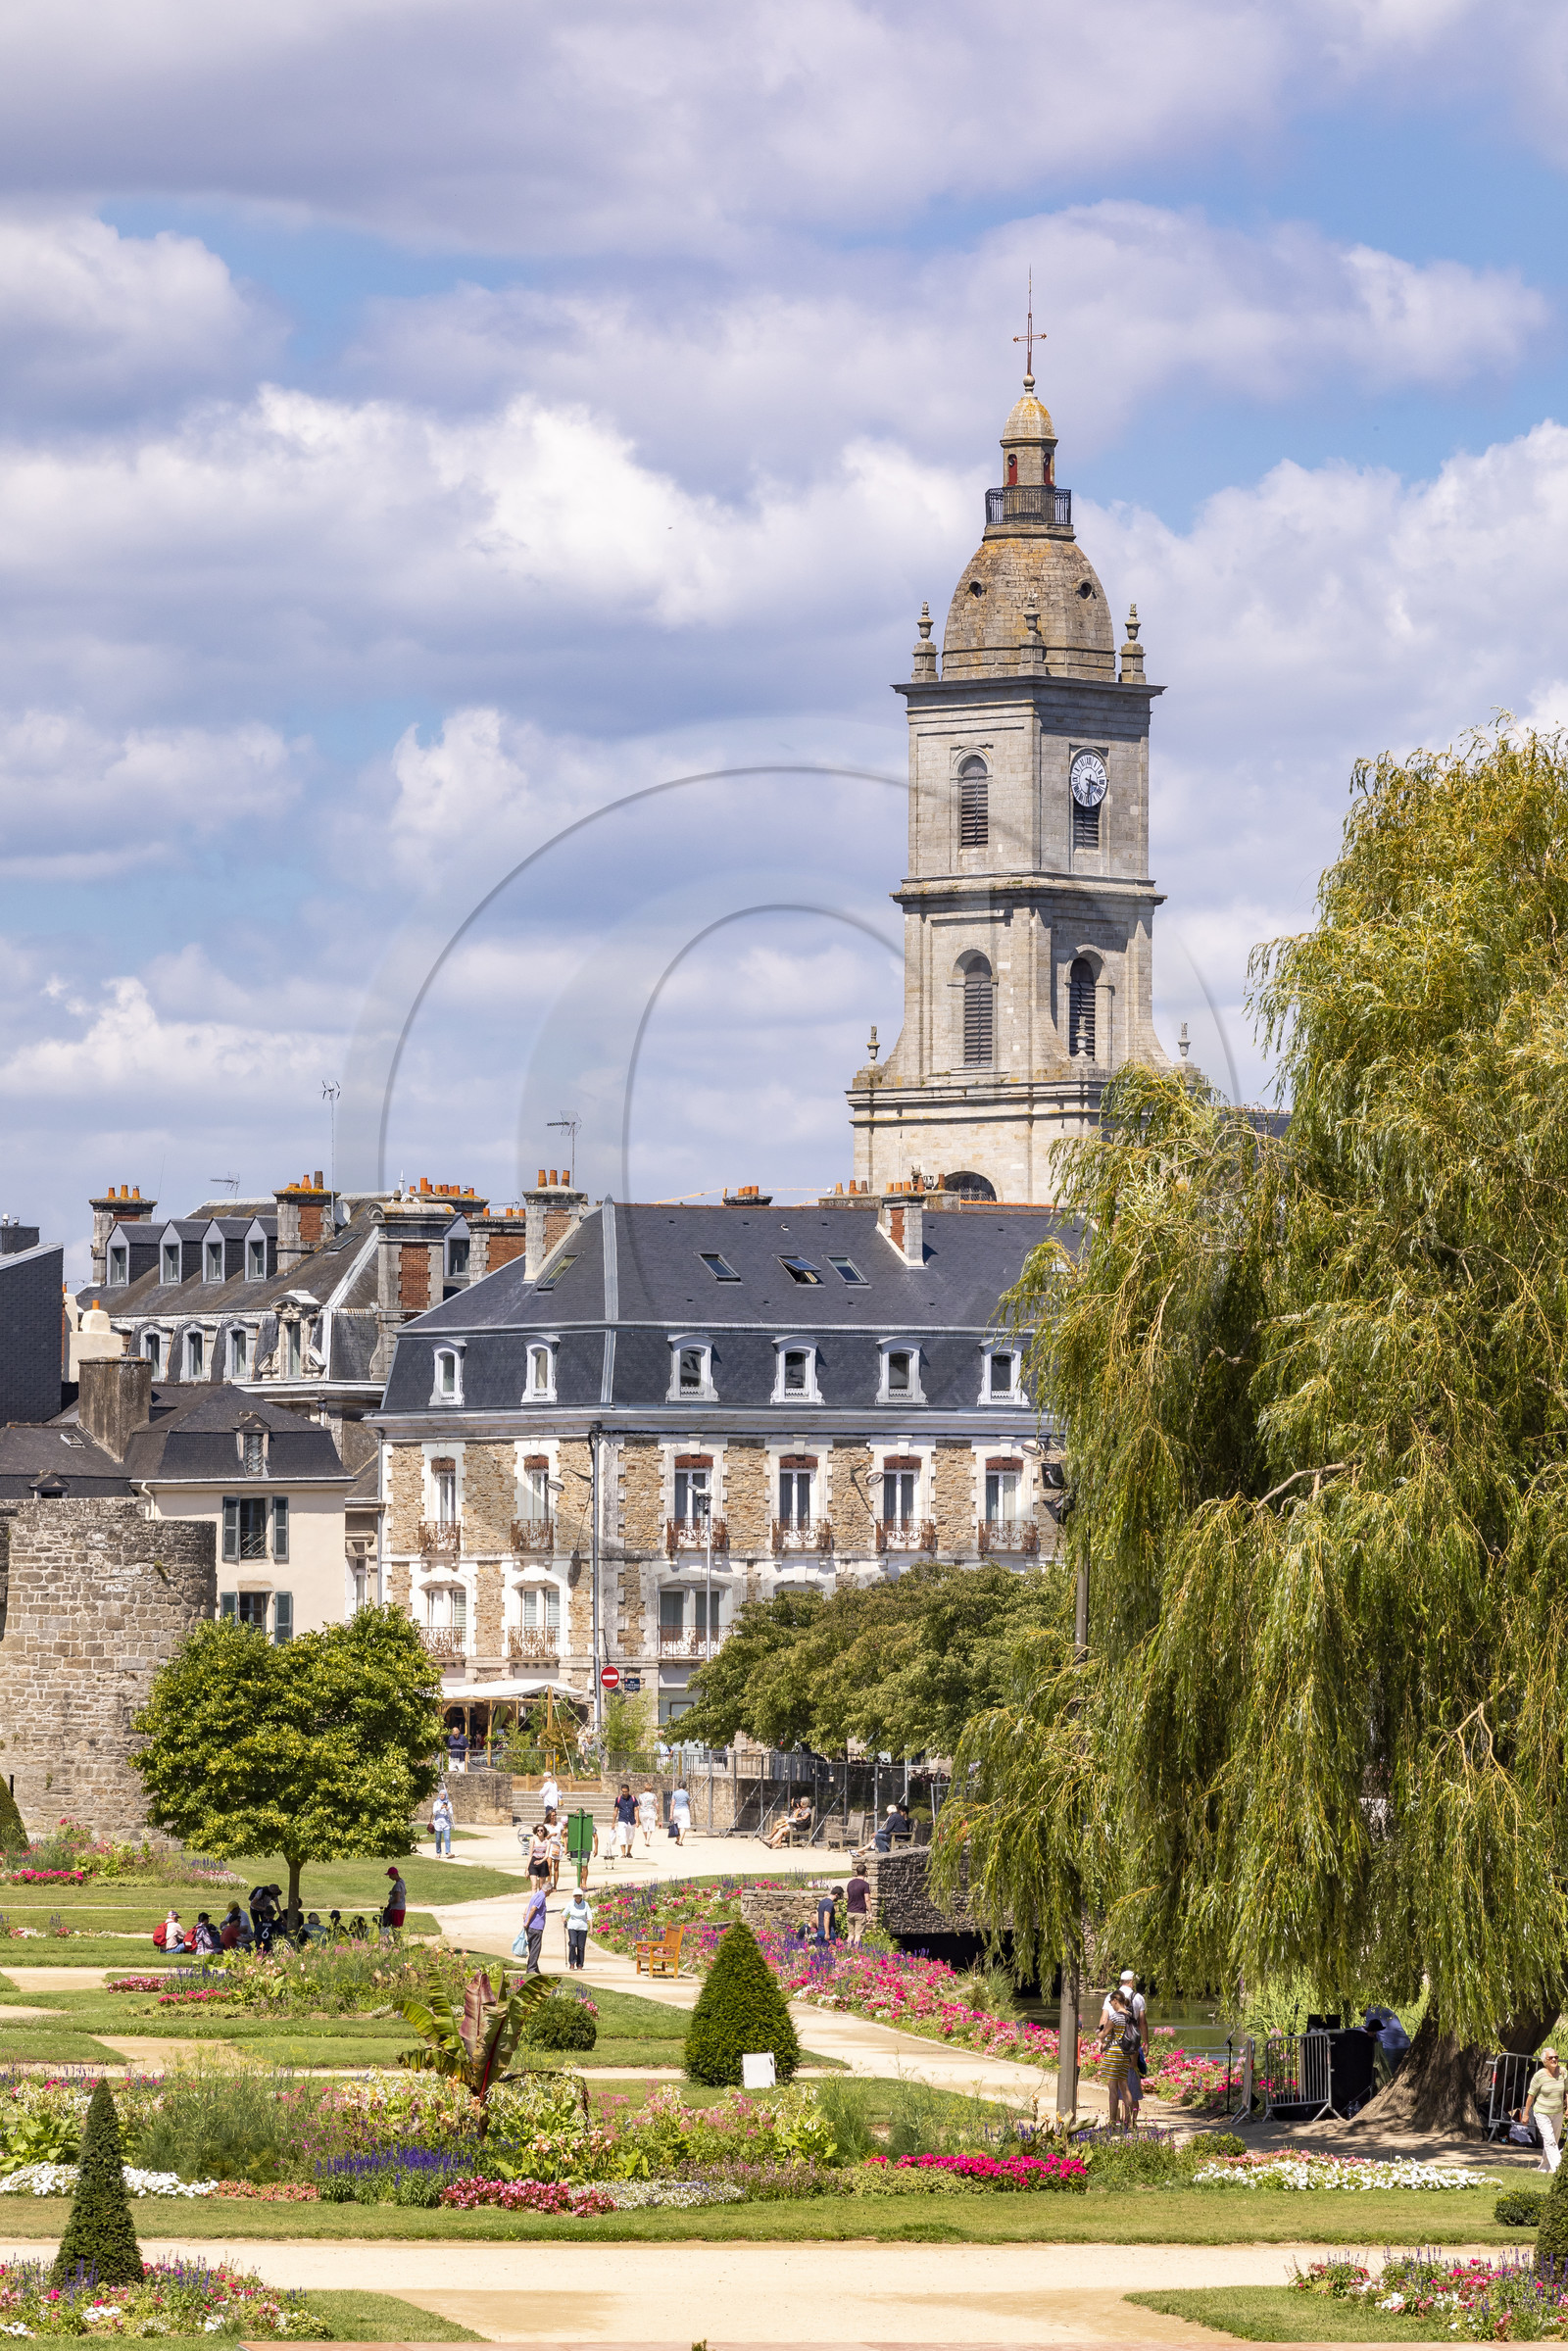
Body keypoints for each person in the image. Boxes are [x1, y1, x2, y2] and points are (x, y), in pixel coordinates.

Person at [1102, 1970, 1149, 2119]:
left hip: (1113, 2046)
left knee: (1113, 2085)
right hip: (1131, 2046)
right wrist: (1146, 2042)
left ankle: (1113, 2120)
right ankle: (1128, 2121)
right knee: (1128, 2082)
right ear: (1132, 1982)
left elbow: (1103, 2020)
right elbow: (1142, 2022)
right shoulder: (1138, 1997)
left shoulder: (1110, 1997)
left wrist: (1101, 2041)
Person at [1099, 1988, 1138, 2131]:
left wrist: (1098, 2032)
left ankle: (1113, 2121)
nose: (1111, 2005)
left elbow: (1103, 2034)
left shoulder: (1115, 2017)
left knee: (1112, 2088)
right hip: (1125, 2053)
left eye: (1111, 2003)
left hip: (1114, 2053)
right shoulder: (1130, 2016)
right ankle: (1130, 2122)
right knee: (1125, 2087)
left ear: (1115, 2001)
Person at [1526, 2047, 1567, 2172]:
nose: (1554, 2059)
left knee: (1553, 2142)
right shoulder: (1539, 2076)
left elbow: (1567, 2091)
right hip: (1542, 2113)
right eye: (1551, 2058)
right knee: (1550, 2141)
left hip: (1557, 2112)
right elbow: (1531, 2095)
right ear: (1545, 2061)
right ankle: (1559, 2169)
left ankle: (1543, 2168)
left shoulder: (1563, 2072)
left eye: (1556, 2057)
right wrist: (1526, 2114)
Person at [521, 1879, 549, 1974]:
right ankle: (532, 1968)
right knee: (535, 1948)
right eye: (550, 1890)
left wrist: (525, 1918)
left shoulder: (537, 1895)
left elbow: (528, 1907)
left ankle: (534, 1968)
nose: (551, 1892)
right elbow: (533, 1909)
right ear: (547, 1890)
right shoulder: (541, 1897)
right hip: (535, 1926)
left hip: (532, 1926)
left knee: (533, 1947)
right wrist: (527, 1922)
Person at [564, 1886, 592, 1970]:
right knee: (573, 1943)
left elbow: (590, 1916)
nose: (578, 1897)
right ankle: (572, 1962)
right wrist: (564, 1919)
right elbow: (564, 1914)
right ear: (574, 1896)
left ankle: (580, 1964)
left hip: (583, 1927)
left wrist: (591, 1928)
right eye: (576, 1896)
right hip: (572, 1926)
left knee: (581, 1947)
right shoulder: (570, 1904)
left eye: (579, 1895)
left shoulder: (586, 1904)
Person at [845, 1866, 871, 1945]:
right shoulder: (865, 1885)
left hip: (850, 1911)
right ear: (865, 1872)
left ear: (857, 1872)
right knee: (858, 1935)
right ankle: (856, 1951)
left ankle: (847, 1950)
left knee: (850, 1935)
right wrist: (870, 1912)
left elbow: (848, 1897)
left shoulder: (850, 1883)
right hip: (860, 1912)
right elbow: (867, 1899)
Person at [381, 1866, 407, 1936]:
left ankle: (397, 1941)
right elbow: (404, 1892)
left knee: (395, 1928)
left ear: (394, 1874)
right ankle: (398, 1941)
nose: (389, 1877)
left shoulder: (397, 1885)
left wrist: (390, 1901)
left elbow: (397, 1899)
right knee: (399, 1928)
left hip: (396, 1909)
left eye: (390, 1875)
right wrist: (393, 1892)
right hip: (402, 1908)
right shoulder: (402, 1881)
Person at [613, 1784, 636, 1863]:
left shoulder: (633, 1799)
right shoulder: (618, 1799)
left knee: (630, 1837)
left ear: (628, 1791)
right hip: (622, 1820)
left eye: (626, 1792)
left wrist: (637, 1821)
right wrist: (613, 1822)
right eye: (623, 1792)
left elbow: (636, 1810)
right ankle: (623, 1853)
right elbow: (616, 1810)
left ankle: (628, 1852)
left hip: (631, 1820)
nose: (624, 1793)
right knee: (622, 1836)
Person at [431, 1788, 455, 1859]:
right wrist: (440, 1808)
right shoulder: (436, 1803)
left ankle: (448, 1852)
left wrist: (447, 1809)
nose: (441, 1796)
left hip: (446, 1822)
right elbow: (434, 1812)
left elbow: (451, 1814)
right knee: (438, 1838)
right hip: (438, 1822)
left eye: (443, 1795)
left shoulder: (449, 1803)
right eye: (440, 1794)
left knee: (447, 1837)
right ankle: (438, 1852)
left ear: (445, 1795)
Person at [545, 1808, 563, 1890]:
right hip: (550, 1845)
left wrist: (566, 1847)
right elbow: (545, 1838)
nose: (554, 1817)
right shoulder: (546, 1826)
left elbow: (564, 1836)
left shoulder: (560, 1825)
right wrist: (551, 1835)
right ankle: (549, 1884)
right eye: (552, 1815)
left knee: (556, 1867)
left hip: (557, 1845)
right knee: (549, 1865)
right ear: (549, 1816)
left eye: (555, 1815)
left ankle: (555, 1885)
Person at [670, 1779, 692, 1845]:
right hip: (684, 1810)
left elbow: (672, 1804)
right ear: (685, 1786)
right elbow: (688, 1803)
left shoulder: (675, 1793)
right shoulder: (686, 1794)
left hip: (676, 1810)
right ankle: (680, 1841)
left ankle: (677, 1840)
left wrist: (671, 1814)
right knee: (683, 1826)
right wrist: (689, 1809)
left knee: (677, 1826)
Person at [637, 1785, 659, 1849]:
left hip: (642, 1812)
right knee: (651, 1827)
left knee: (644, 1826)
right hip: (651, 1812)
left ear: (644, 1789)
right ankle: (647, 1840)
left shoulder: (640, 1796)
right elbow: (657, 1805)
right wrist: (658, 1812)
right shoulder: (653, 1795)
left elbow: (638, 1805)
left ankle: (646, 1839)